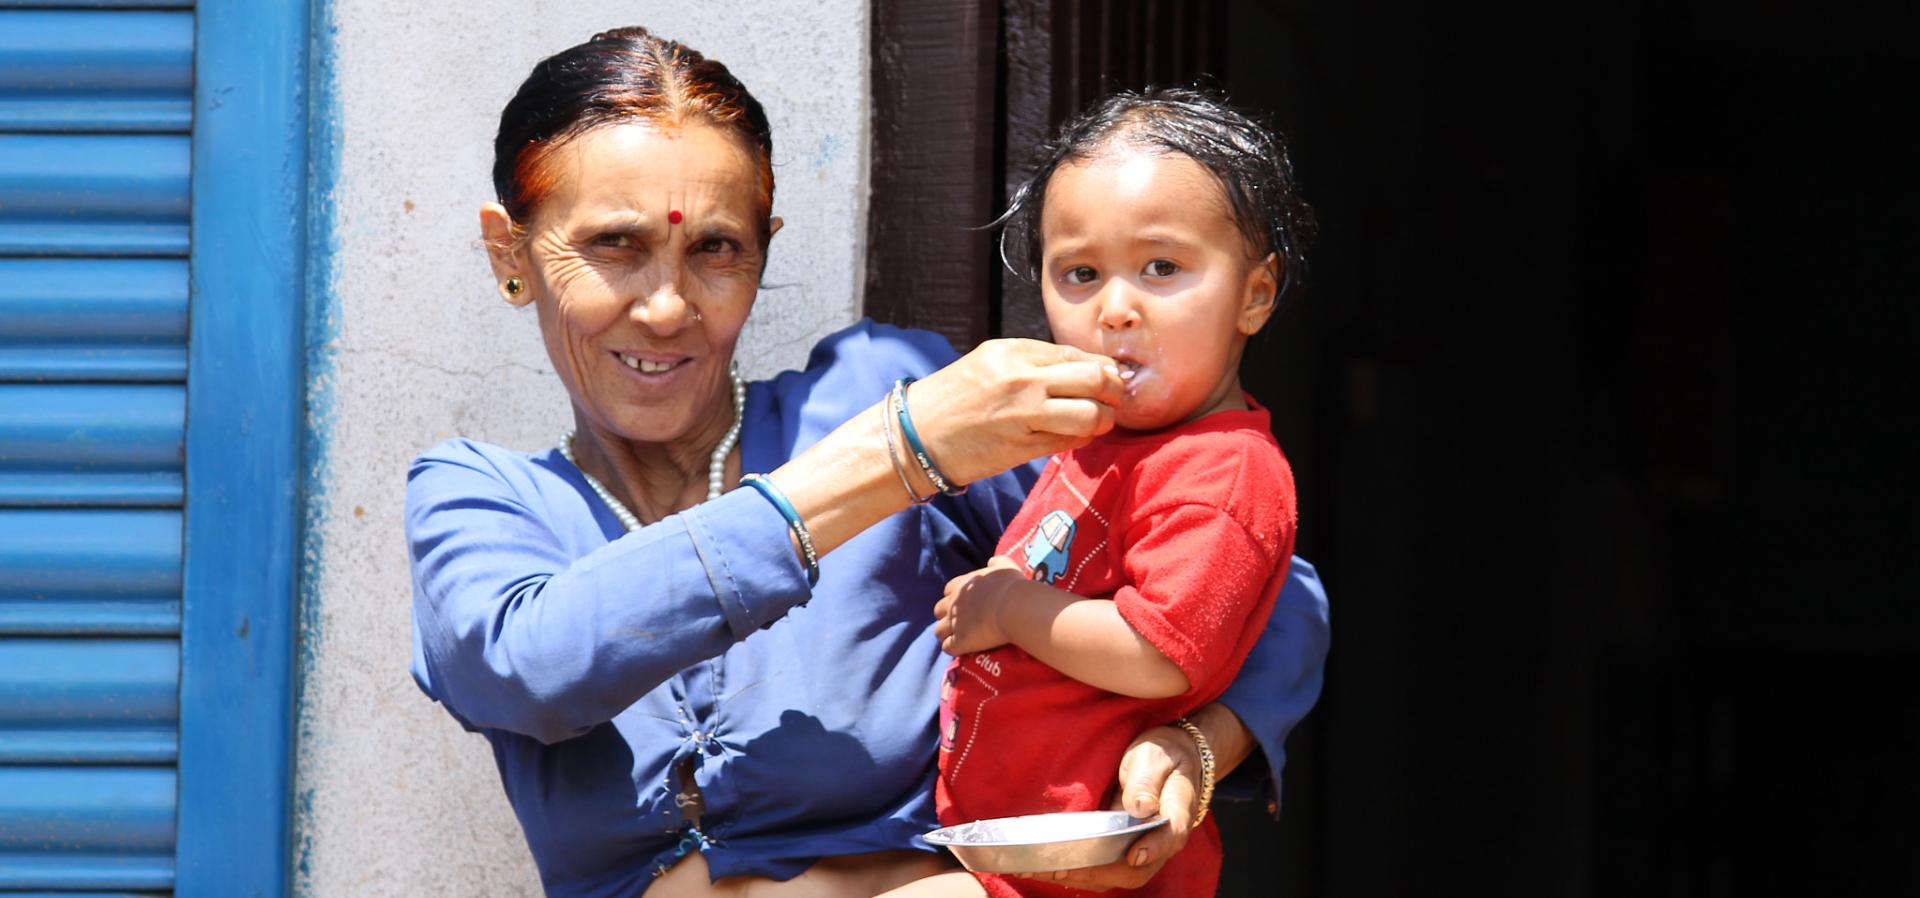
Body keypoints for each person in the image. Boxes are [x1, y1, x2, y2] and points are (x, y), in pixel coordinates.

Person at [406, 27, 1330, 898]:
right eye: (615, 246)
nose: (665, 306)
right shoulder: (481, 501)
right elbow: (527, 669)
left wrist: (1199, 743)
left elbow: (1262, 582)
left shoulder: (872, 386)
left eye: (715, 249)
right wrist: (897, 455)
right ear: (509, 252)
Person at [874, 88, 1318, 898]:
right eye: (1080, 273)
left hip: (1096, 870)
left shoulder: (1224, 470)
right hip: (1021, 854)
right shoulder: (1095, 438)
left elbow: (1160, 653)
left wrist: (1009, 609)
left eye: (1162, 267)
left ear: (1256, 294)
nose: (1116, 309)